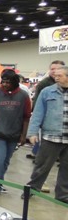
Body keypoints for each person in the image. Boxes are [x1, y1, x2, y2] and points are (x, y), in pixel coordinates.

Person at [24, 65, 68, 203]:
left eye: (59, 75)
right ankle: (31, 189)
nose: (56, 77)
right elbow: (37, 113)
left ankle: (62, 195)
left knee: (66, 169)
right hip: (51, 136)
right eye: (55, 75)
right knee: (42, 166)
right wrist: (32, 133)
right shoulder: (47, 92)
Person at [0, 70, 31, 196]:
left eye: (7, 82)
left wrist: (23, 135)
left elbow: (26, 116)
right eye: (3, 81)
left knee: (5, 160)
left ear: (14, 82)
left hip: (14, 134)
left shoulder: (23, 96)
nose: (4, 84)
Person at [27, 60, 65, 161]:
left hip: (64, 133)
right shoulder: (44, 86)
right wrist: (34, 131)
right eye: (52, 69)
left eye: (58, 69)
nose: (55, 71)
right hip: (49, 131)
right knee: (43, 163)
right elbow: (38, 109)